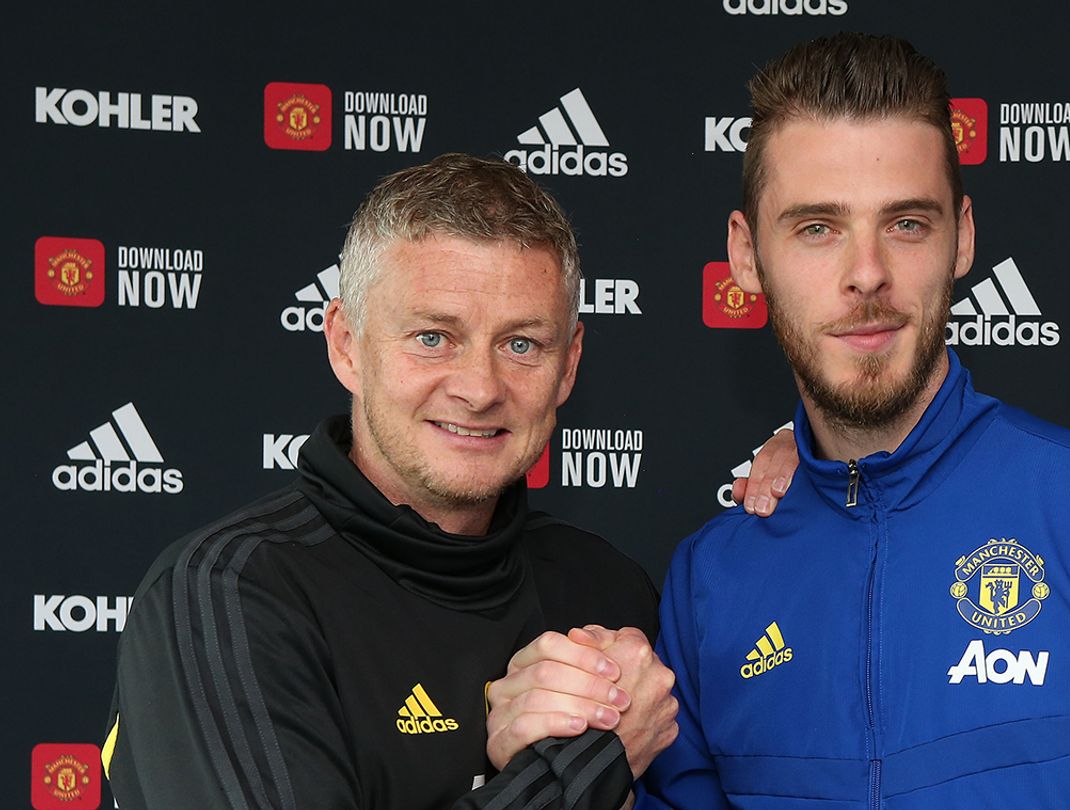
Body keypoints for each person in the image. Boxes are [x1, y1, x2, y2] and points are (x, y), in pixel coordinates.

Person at [637, 34, 1070, 809]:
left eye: (907, 224)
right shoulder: (708, 585)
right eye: (817, 227)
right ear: (747, 256)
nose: (867, 274)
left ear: (962, 238)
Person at [103, 153, 793, 809]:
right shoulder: (227, 595)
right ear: (346, 343)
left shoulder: (605, 588)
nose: (478, 388)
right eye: (433, 337)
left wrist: (820, 458)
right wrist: (592, 758)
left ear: (570, 363)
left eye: (521, 344)